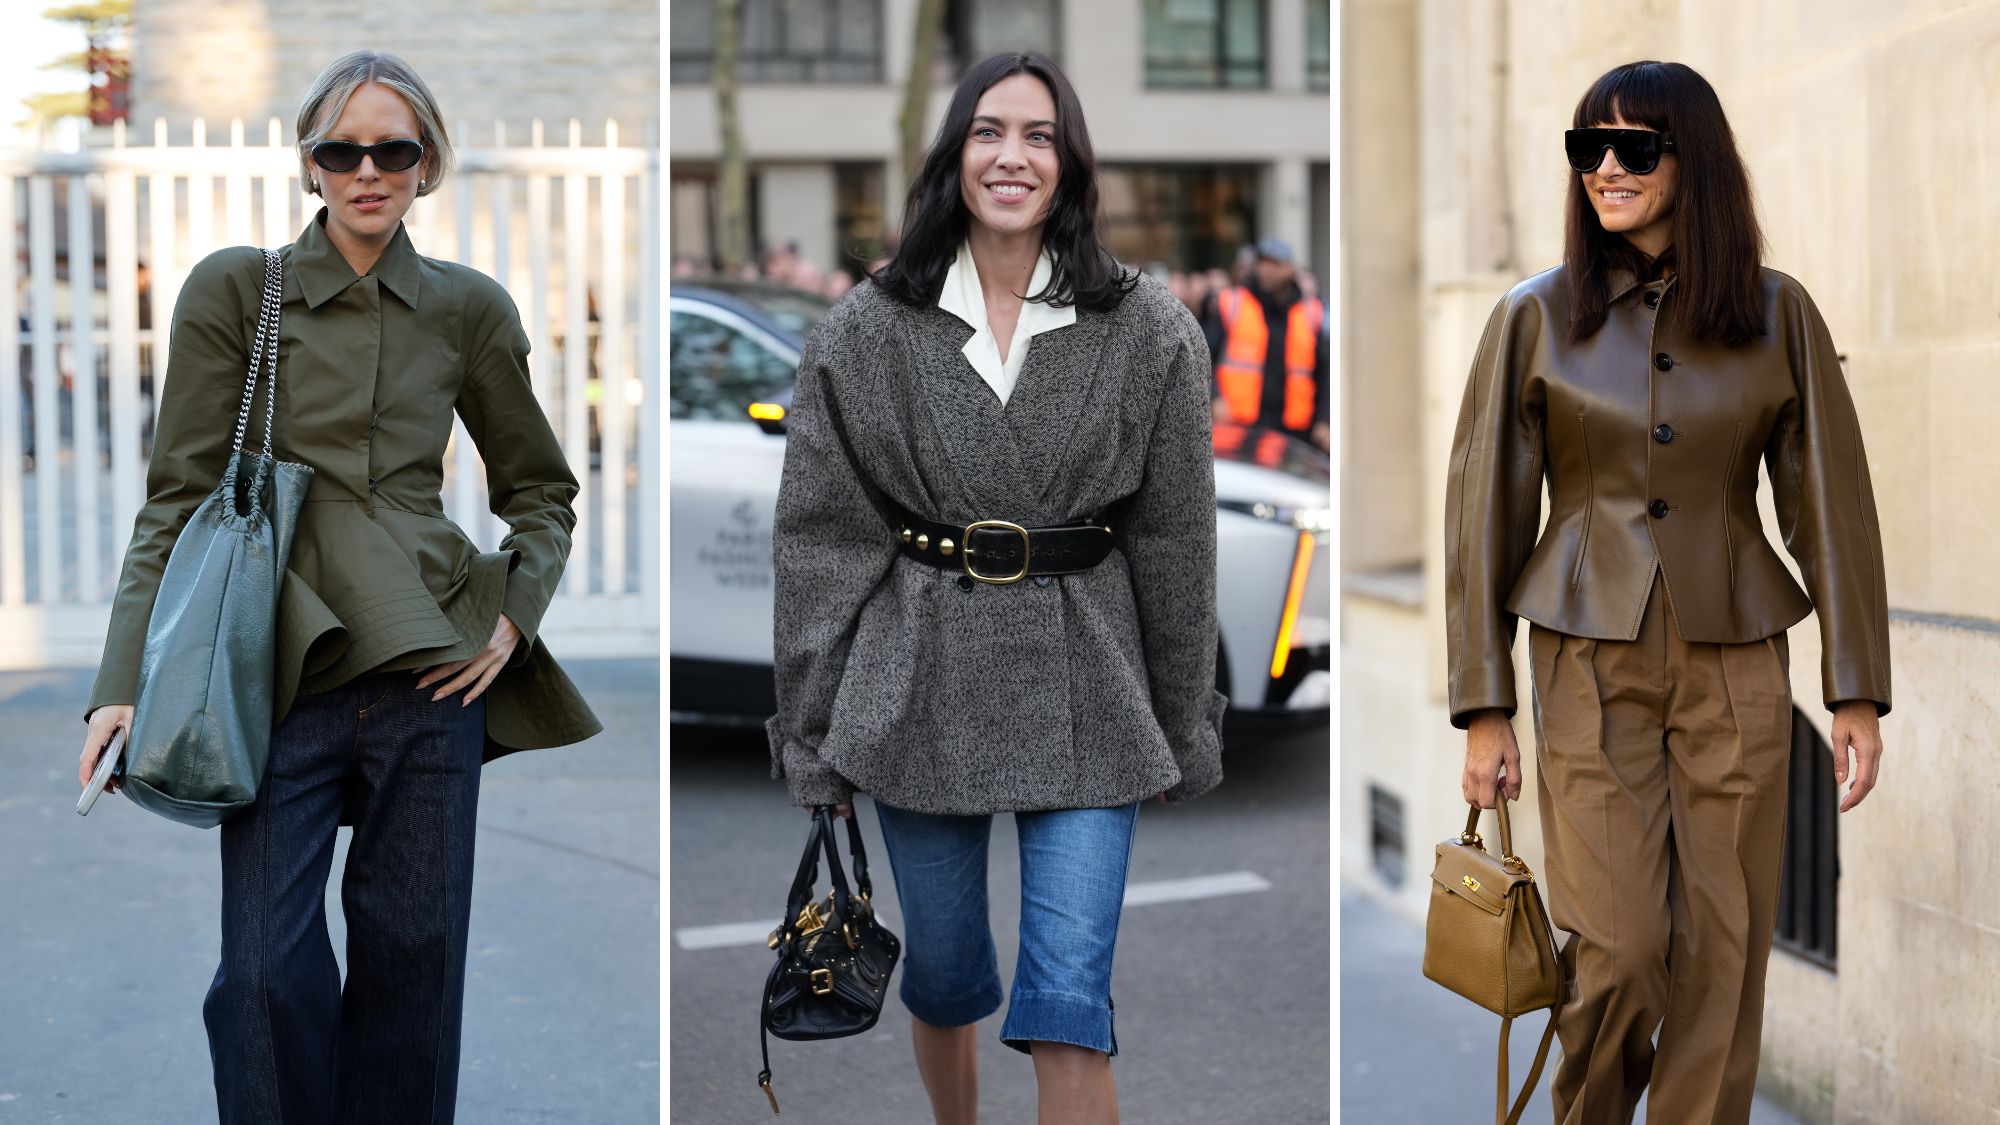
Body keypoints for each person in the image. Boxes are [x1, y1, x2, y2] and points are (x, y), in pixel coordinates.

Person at [76, 50, 600, 1124]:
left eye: (393, 150)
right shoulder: (238, 289)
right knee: (262, 978)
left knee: (416, 970)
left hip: (432, 677)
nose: (368, 170)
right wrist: (122, 679)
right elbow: (177, 498)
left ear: (426, 165)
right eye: (342, 150)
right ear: (310, 165)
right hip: (276, 673)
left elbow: (541, 491)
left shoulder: (467, 310)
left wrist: (513, 614)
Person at [766, 50, 1225, 1125]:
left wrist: (1180, 716)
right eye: (987, 131)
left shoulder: (1147, 328)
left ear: (1069, 164)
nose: (1011, 155)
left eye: (1038, 135)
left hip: (1092, 683)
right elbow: (821, 545)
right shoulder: (865, 331)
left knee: (1068, 1000)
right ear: (951, 157)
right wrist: (811, 734)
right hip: (916, 680)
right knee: (945, 978)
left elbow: (1174, 540)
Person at [1445, 60, 1889, 1125]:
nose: (1605, 167)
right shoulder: (1531, 317)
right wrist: (1482, 703)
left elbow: (1829, 502)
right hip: (1582, 655)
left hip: (1734, 658)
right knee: (1620, 952)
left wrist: (1853, 688)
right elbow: (1479, 519)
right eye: (1586, 147)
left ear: (1693, 161)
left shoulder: (1774, 314)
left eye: (1633, 147)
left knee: (1723, 952)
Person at [1202, 237, 1330, 451]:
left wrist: (1324, 420)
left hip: (1294, 431)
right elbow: (1202, 357)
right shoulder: (1233, 304)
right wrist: (1214, 397)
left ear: (1290, 269)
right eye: (1262, 263)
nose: (1266, 270)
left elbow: (1326, 374)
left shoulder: (1310, 312)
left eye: (1274, 264)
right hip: (1240, 426)